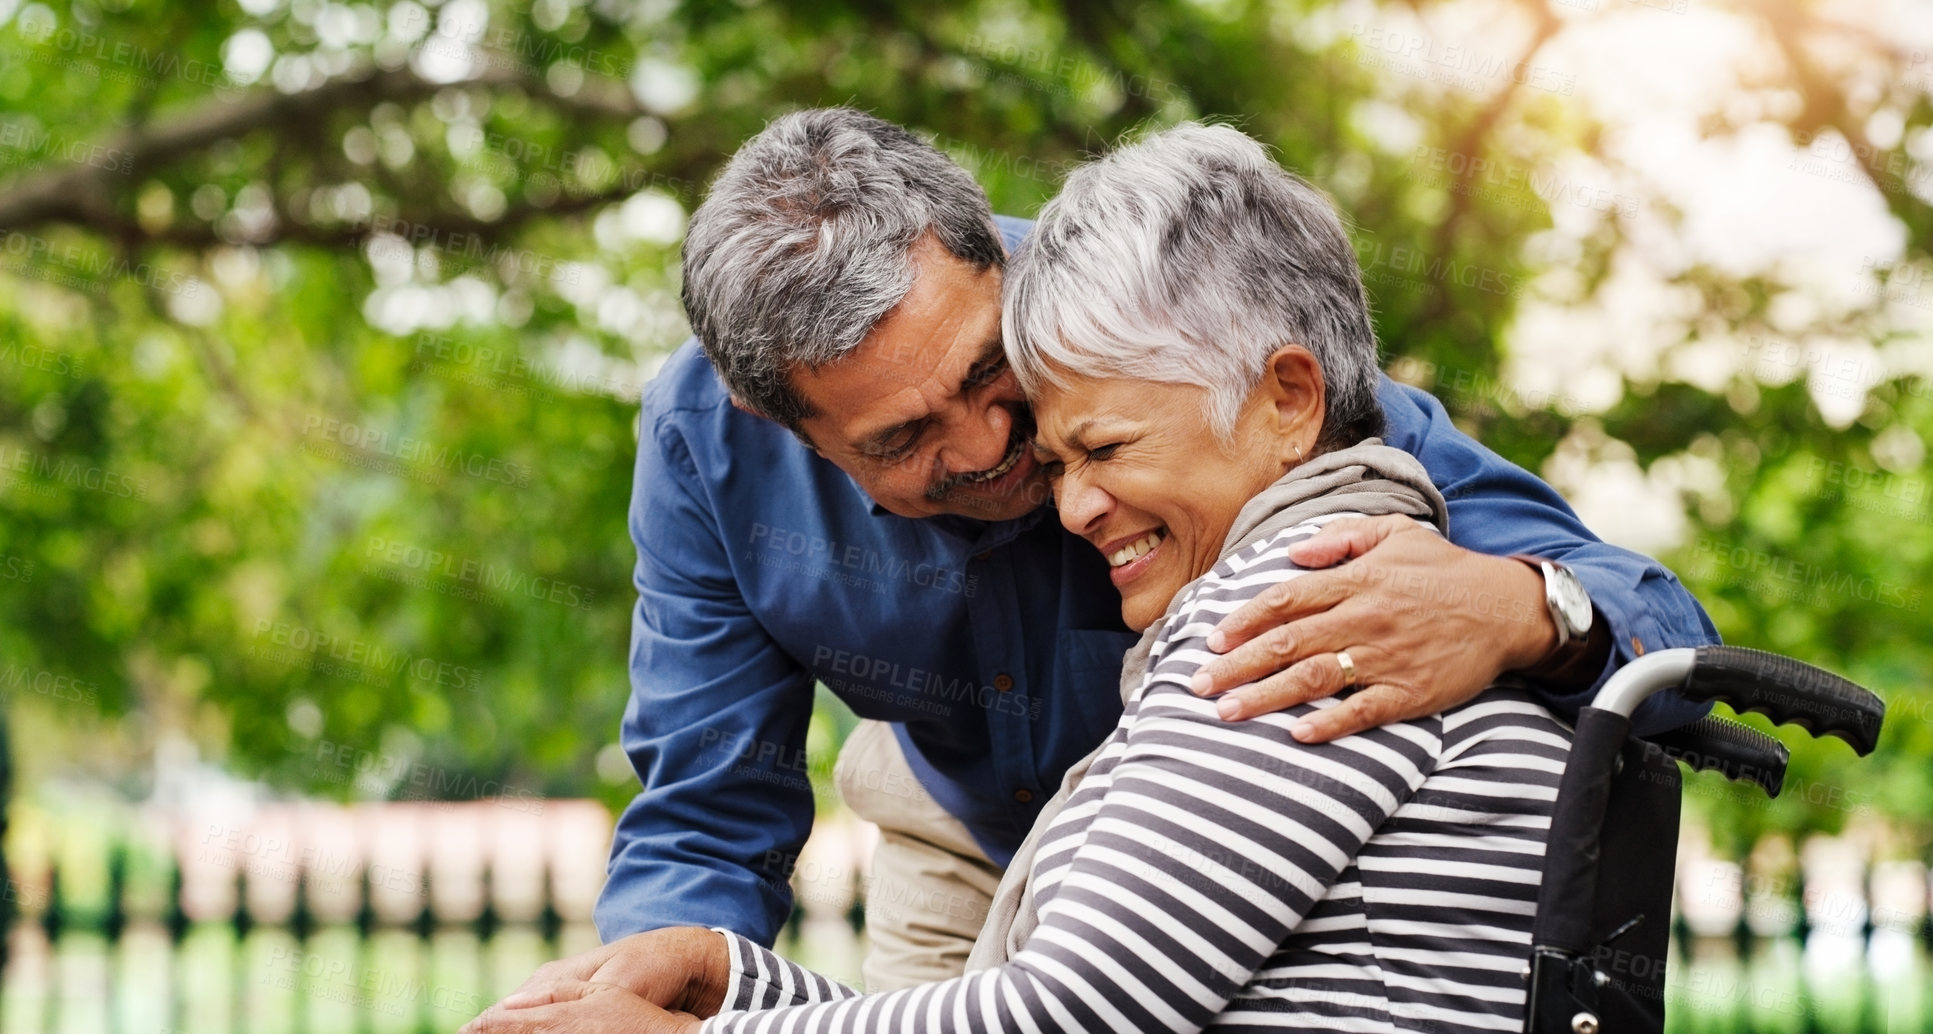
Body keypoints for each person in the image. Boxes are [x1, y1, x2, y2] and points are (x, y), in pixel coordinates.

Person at [568, 107, 1714, 995]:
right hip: (956, 828)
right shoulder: (704, 446)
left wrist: (1525, 607)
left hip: (1212, 824)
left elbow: (1659, 620)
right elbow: (709, 805)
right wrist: (647, 987)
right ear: (783, 424)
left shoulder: (1150, 327)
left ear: (994, 268)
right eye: (905, 437)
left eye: (985, 373)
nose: (991, 450)